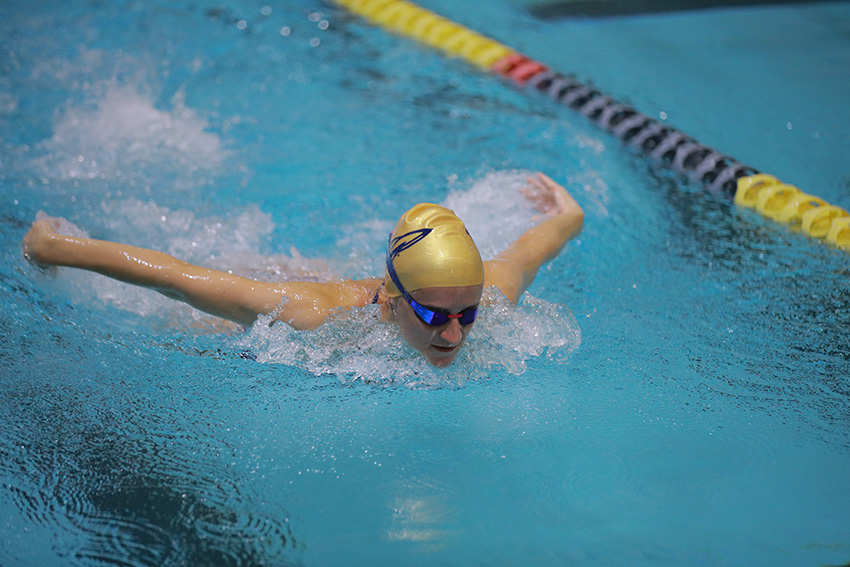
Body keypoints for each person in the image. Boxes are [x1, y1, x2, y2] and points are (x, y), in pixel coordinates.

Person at [22, 173, 583, 367]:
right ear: (391, 303)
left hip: (353, 285)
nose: (455, 333)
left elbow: (533, 247)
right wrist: (54, 247)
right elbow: (177, 275)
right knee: (191, 326)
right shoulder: (312, 318)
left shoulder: (490, 291)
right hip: (314, 295)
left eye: (468, 314)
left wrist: (568, 212)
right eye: (435, 315)